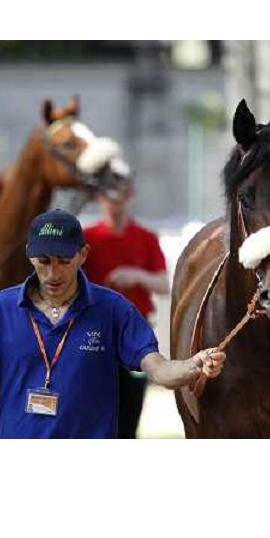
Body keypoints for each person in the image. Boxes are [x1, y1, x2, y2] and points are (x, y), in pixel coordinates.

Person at [0, 209, 225, 439]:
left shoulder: (114, 310)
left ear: (83, 255)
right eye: (44, 261)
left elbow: (160, 371)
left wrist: (194, 365)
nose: (53, 273)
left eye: (64, 261)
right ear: (30, 256)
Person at [83, 180, 169, 438]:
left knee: (130, 411)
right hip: (96, 333)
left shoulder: (145, 237)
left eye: (120, 197)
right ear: (99, 197)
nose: (115, 205)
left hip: (134, 334)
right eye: (109, 197)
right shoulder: (88, 239)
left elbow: (164, 284)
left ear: (130, 197)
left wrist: (137, 276)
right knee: (95, 409)